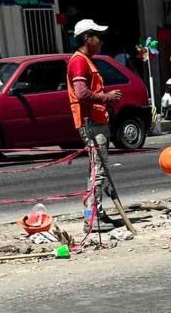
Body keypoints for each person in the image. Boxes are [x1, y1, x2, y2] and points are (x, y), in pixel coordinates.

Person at [66, 19, 123, 232]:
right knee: (98, 172)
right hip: (90, 123)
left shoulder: (87, 60)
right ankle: (92, 221)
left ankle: (96, 212)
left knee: (96, 171)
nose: (101, 41)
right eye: (97, 36)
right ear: (87, 38)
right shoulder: (79, 61)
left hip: (97, 120)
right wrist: (106, 97)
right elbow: (81, 93)